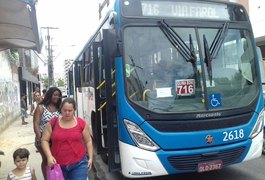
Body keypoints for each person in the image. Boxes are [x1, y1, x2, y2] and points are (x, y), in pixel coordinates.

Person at [41, 98, 93, 180]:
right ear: (61, 109)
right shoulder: (53, 123)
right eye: (64, 110)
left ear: (74, 110)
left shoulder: (81, 123)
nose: (67, 113)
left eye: (70, 110)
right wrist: (49, 156)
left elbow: (88, 141)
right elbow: (44, 140)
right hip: (57, 165)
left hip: (79, 164)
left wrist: (90, 158)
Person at [33, 87, 62, 179]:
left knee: (55, 159)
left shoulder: (59, 108)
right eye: (55, 95)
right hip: (42, 138)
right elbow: (36, 124)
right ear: (50, 95)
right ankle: (47, 178)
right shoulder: (41, 107)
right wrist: (39, 138)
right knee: (46, 159)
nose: (57, 97)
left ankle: (55, 176)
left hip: (56, 139)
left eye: (59, 95)